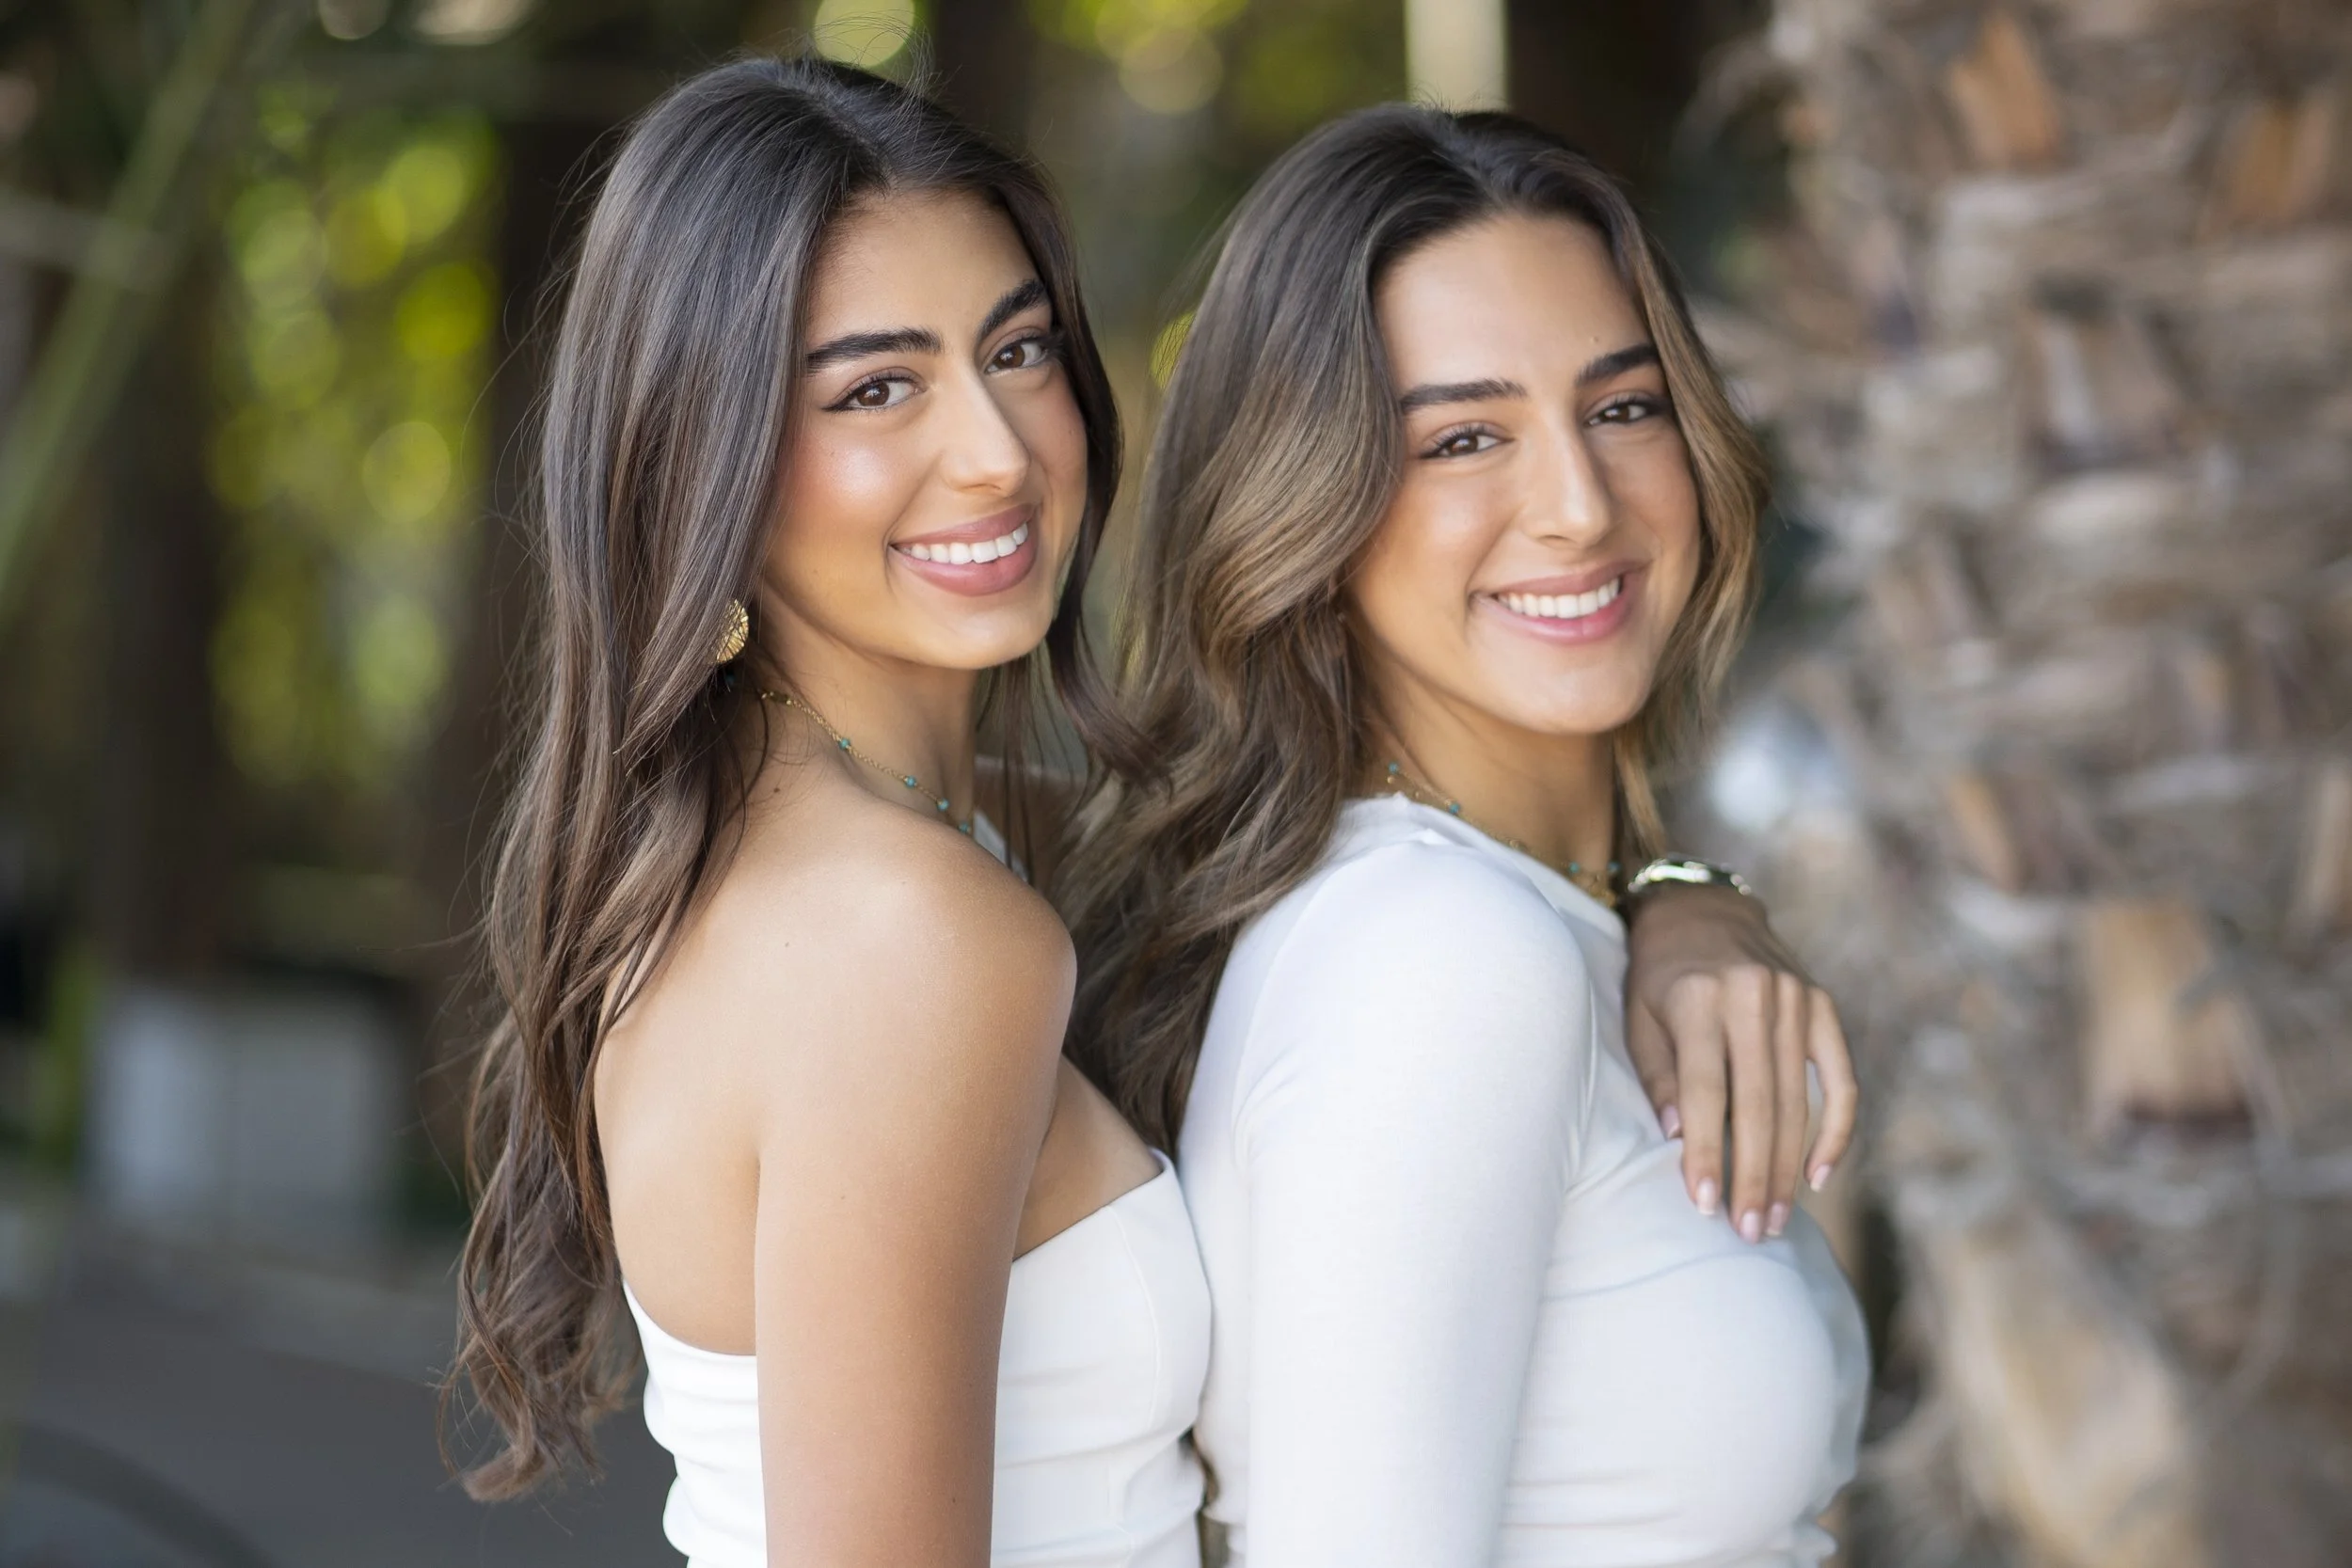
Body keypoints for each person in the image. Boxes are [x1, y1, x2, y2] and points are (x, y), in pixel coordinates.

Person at [449, 57, 1854, 1568]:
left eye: (1020, 351)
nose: (996, 449)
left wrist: (1685, 897)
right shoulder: (903, 936)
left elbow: (1279, 828)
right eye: (874, 387)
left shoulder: (918, 843)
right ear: (697, 451)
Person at [1061, 105, 1868, 1566]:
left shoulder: (1522, 918)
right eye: (1465, 436)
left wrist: (1682, 892)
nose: (1577, 504)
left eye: (1623, 407)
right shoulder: (1440, 961)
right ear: (1308, 500)